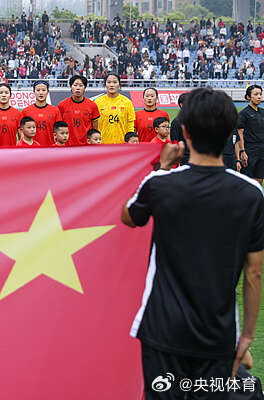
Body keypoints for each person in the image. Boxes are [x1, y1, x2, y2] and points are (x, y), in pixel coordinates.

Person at [121, 88, 264, 399]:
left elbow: (129, 216)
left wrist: (161, 167)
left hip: (162, 327)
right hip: (217, 332)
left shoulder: (161, 184)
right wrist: (247, 335)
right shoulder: (251, 193)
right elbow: (254, 272)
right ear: (229, 133)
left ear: (184, 132)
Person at [58, 75, 100, 146]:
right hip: (67, 145)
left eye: (81, 85)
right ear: (71, 87)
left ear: (85, 87)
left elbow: (95, 129)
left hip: (86, 145)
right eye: (75, 85)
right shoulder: (62, 105)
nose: (78, 88)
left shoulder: (92, 105)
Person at [95, 73, 135, 144]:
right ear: (105, 84)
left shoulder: (127, 102)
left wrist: (130, 139)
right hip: (102, 143)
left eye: (115, 82)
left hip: (122, 143)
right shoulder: (98, 102)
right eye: (109, 82)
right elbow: (94, 124)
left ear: (119, 85)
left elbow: (130, 124)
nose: (111, 85)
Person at [237, 85, 264, 185]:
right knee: (247, 181)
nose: (259, 97)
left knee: (259, 180)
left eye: (260, 94)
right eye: (256, 94)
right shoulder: (244, 113)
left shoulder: (262, 112)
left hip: (262, 150)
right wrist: (242, 151)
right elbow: (240, 133)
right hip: (250, 150)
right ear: (248, 97)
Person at [22, 80, 61, 146]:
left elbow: (59, 132)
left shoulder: (55, 111)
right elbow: (22, 133)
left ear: (47, 92)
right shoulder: (26, 111)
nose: (41, 93)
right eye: (38, 90)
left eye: (43, 90)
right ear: (34, 92)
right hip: (31, 149)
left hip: (50, 148)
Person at [0, 82, 22, 147]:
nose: (4, 95)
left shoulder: (18, 113)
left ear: (10, 95)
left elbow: (21, 136)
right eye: (1, 93)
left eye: (6, 93)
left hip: (12, 151)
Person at [170, 93, 189, 164]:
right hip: (184, 158)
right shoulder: (176, 121)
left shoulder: (197, 119)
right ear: (181, 104)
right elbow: (174, 141)